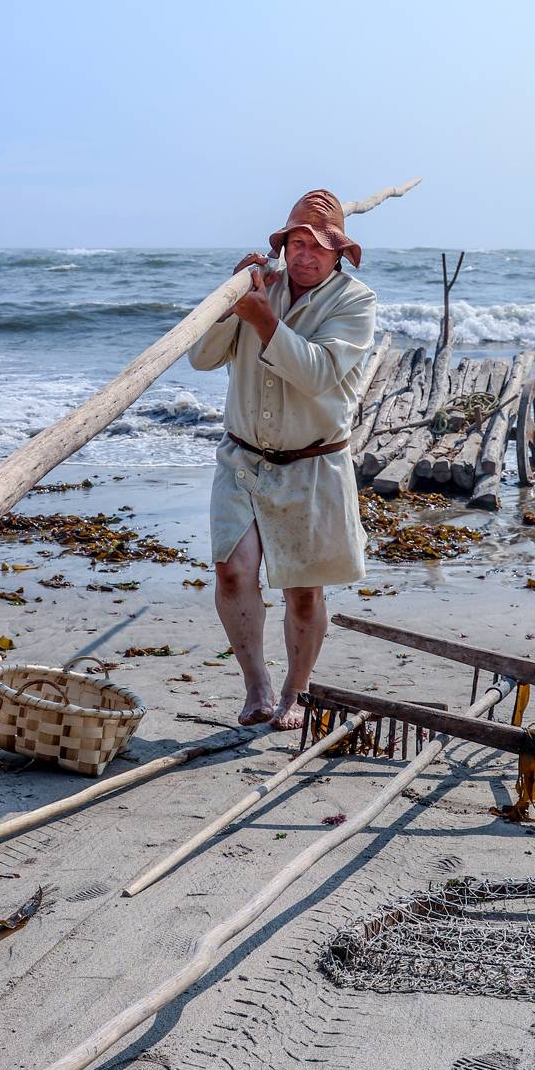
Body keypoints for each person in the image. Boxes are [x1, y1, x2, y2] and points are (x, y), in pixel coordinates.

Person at [188, 190, 376, 729]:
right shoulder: (258, 287)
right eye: (297, 244)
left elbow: (319, 374)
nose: (305, 256)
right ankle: (257, 687)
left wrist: (265, 321)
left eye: (318, 247)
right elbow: (201, 357)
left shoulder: (355, 302)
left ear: (338, 254)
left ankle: (297, 689)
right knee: (232, 573)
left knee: (303, 592)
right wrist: (229, 304)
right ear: (284, 245)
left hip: (313, 463)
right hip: (242, 459)